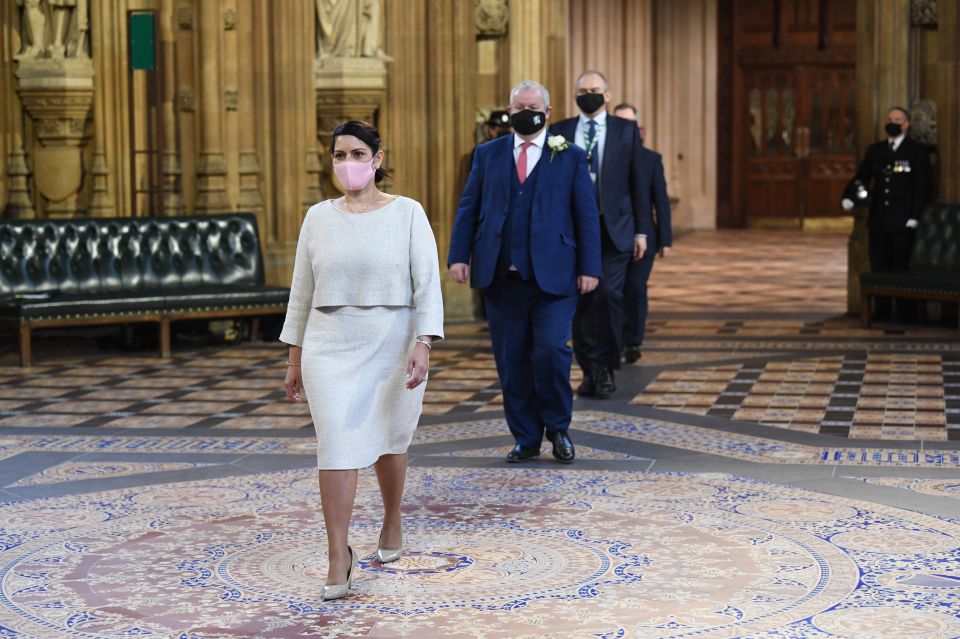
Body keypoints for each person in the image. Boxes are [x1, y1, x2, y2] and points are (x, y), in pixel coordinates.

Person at [280, 120, 444, 601]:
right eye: (338, 155)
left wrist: (423, 343)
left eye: (356, 154)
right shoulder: (317, 217)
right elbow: (301, 293)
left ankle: (392, 518)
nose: (346, 163)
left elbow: (427, 283)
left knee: (390, 436)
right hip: (328, 341)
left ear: (377, 159)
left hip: (392, 339)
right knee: (336, 444)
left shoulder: (408, 213)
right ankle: (338, 555)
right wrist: (294, 359)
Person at [448, 80, 601, 464]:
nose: (524, 112)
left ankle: (558, 427)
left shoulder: (569, 156)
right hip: (501, 276)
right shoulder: (488, 154)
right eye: (518, 106)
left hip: (555, 276)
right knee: (511, 360)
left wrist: (590, 267)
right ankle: (526, 437)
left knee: (551, 351)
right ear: (510, 109)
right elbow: (469, 207)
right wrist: (458, 256)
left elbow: (586, 216)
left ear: (548, 113)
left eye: (532, 106)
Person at [549, 71, 651, 397]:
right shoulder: (561, 131)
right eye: (582, 90)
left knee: (607, 297)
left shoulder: (625, 130)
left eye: (594, 90)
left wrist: (641, 231)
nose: (588, 95)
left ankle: (606, 368)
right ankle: (589, 368)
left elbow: (638, 183)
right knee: (581, 300)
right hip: (573, 231)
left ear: (607, 95)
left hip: (614, 229)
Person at [842, 106, 932, 320]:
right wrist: (848, 196)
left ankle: (905, 313)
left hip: (904, 221)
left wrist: (915, 216)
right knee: (879, 267)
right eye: (890, 118)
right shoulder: (877, 150)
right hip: (879, 220)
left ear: (907, 124)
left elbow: (923, 187)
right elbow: (862, 176)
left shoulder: (916, 151)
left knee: (901, 268)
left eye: (898, 119)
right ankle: (881, 311)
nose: (893, 122)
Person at [613, 102, 672, 363]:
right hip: (613, 236)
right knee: (612, 291)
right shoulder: (605, 159)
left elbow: (661, 201)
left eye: (630, 124)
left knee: (635, 288)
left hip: (644, 235)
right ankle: (613, 339)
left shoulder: (651, 160)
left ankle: (633, 341)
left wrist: (666, 239)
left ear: (640, 129)